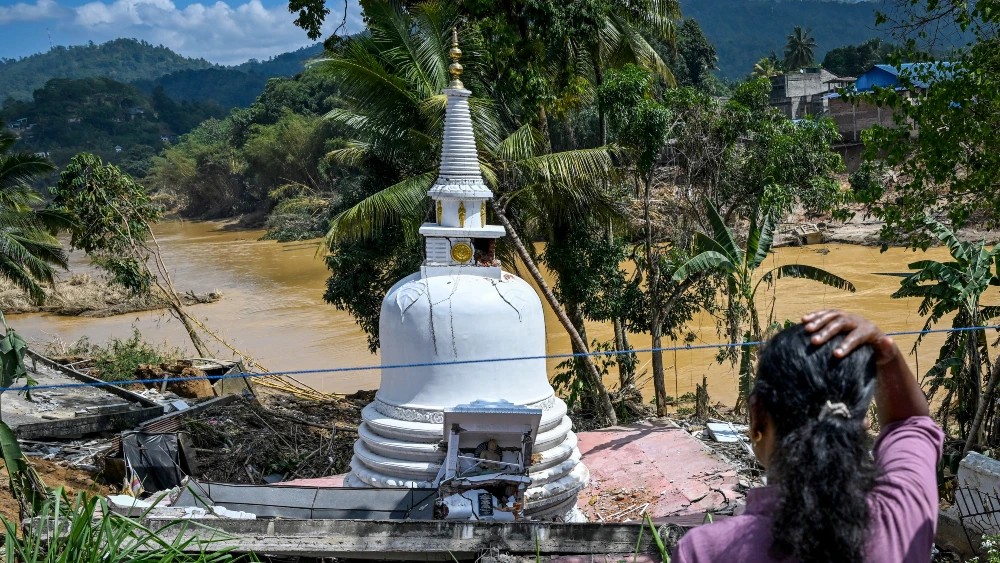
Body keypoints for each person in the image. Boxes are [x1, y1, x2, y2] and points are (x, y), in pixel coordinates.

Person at [672, 310, 944, 563]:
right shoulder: (901, 517)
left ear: (757, 415)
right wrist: (887, 352)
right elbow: (910, 423)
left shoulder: (708, 550)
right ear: (861, 423)